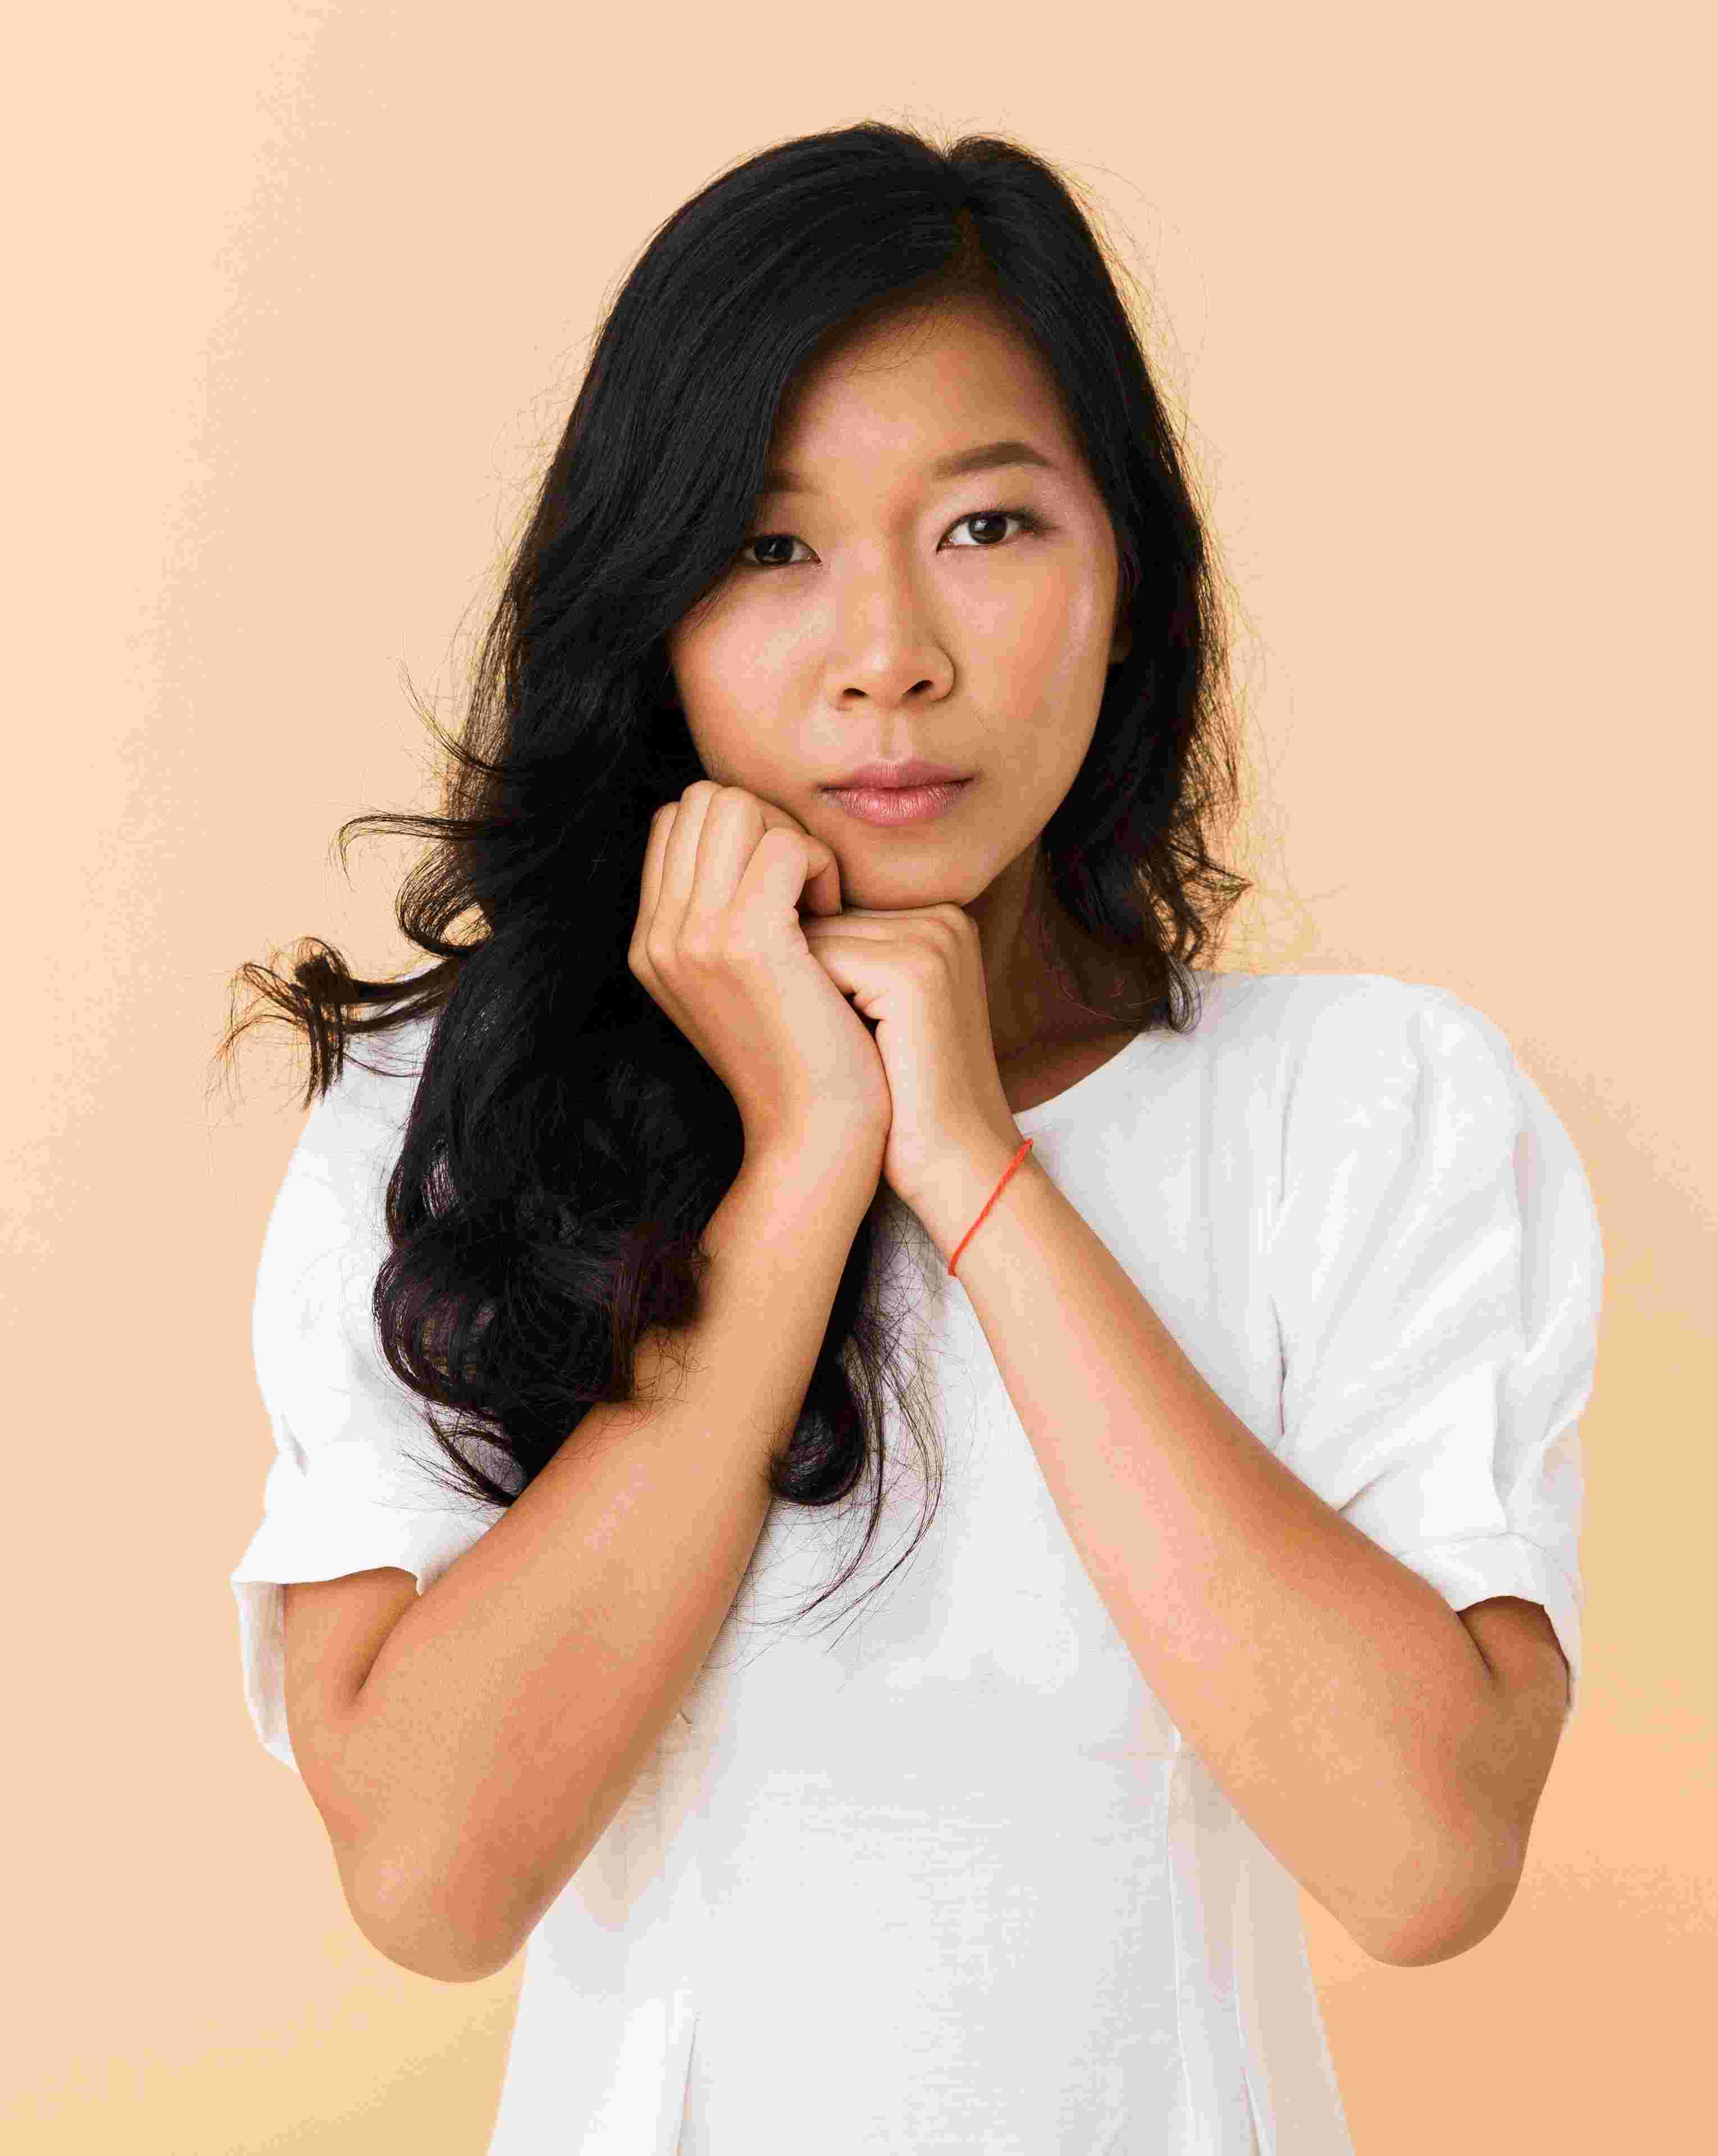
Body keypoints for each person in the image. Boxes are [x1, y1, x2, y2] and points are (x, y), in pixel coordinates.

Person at [219, 120, 1602, 2155]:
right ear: (654, 620)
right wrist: (800, 1174)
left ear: (1132, 581)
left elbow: (1421, 1859)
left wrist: (973, 1169)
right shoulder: (447, 1117)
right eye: (768, 547)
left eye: (987, 527)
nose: (890, 657)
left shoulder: (1373, 1107)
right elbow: (432, 1877)